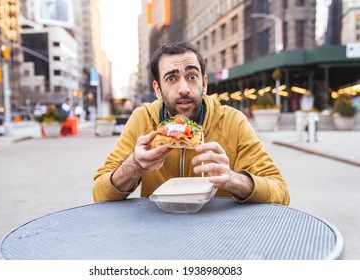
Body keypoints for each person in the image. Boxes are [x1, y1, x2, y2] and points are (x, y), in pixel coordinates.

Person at [92, 42, 290, 205]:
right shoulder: (143, 119)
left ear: (204, 84)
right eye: (171, 78)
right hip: (157, 230)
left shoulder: (233, 120)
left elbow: (280, 193)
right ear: (158, 89)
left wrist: (232, 179)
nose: (184, 89)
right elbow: (100, 194)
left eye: (192, 76)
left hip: (220, 233)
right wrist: (135, 164)